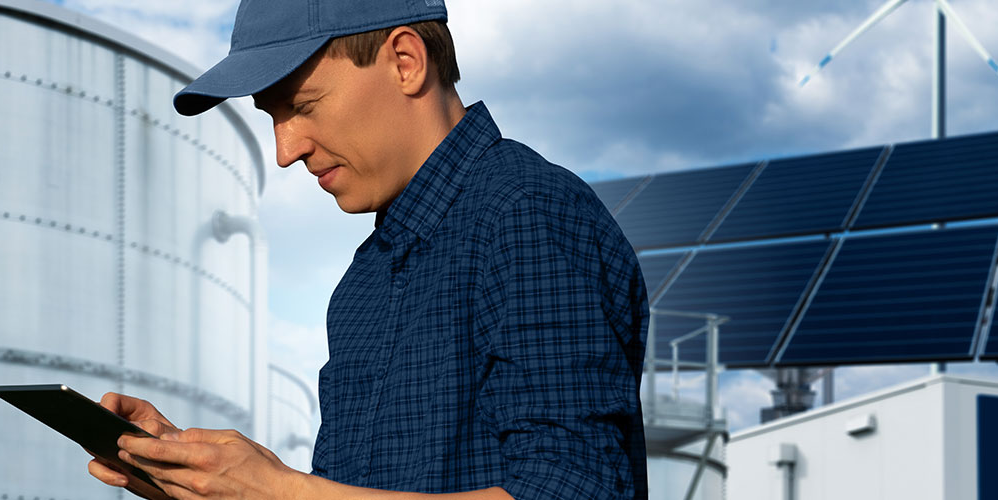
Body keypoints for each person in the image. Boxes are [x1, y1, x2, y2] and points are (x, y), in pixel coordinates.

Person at [85, 0, 651, 498]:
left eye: (302, 105)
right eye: (273, 118)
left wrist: (283, 494)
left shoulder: (528, 212)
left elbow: (575, 488)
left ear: (405, 62)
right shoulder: (363, 283)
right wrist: (206, 480)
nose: (285, 150)